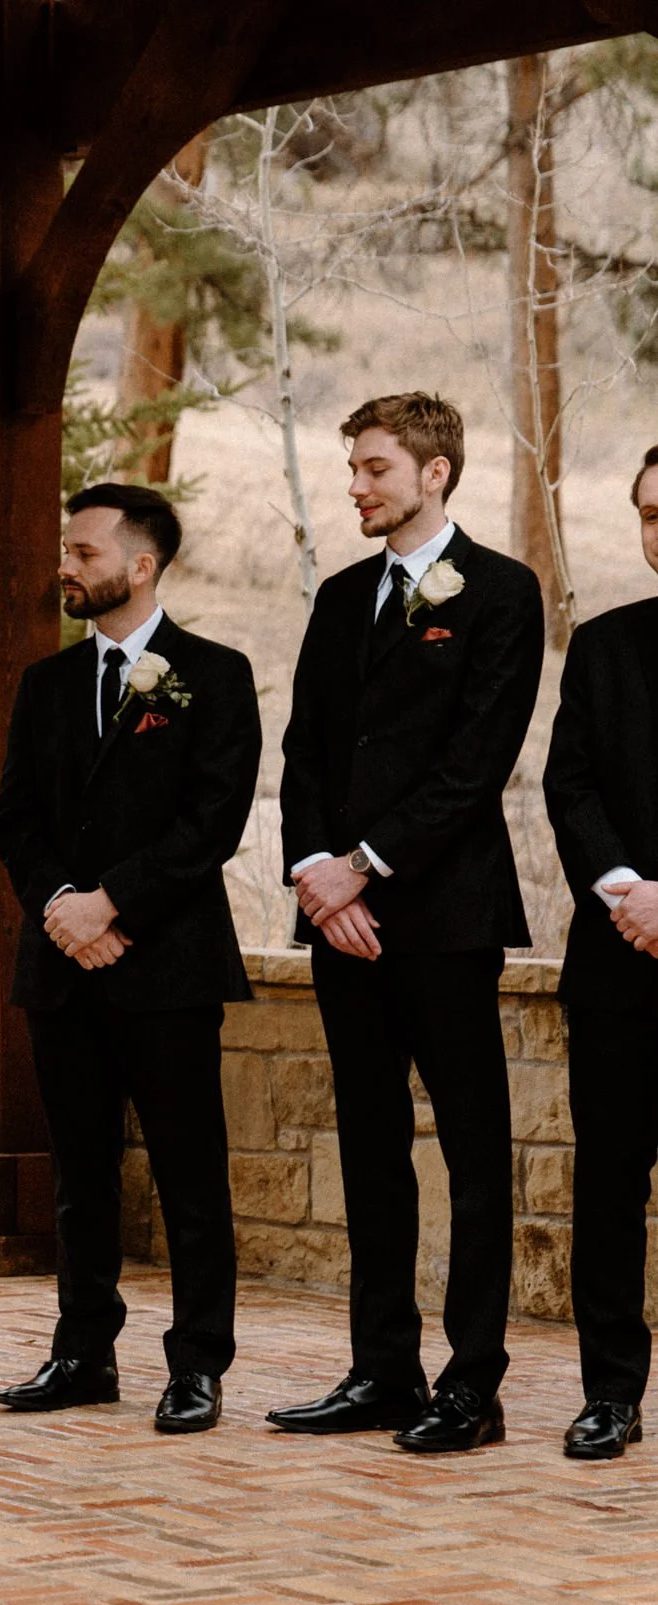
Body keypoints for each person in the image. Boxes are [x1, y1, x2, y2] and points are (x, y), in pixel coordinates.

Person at [267, 392, 542, 1453]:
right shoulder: (342, 598)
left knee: (473, 1154)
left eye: (374, 467)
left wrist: (361, 870)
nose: (356, 486)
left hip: (443, 915)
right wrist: (313, 875)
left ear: (434, 472)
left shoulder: (501, 592)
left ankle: (473, 1384)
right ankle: (382, 1369)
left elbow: (476, 761)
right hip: (340, 923)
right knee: (370, 1147)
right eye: (352, 468)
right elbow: (303, 750)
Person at [0, 483, 257, 1434]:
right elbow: (15, 819)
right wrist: (64, 909)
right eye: (66, 550)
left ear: (140, 566)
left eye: (85, 552)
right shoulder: (45, 684)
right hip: (63, 963)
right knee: (80, 1173)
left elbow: (212, 823)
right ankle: (82, 1351)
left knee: (191, 1174)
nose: (65, 566)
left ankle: (198, 1364)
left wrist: (113, 902)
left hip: (169, 965)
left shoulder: (215, 675)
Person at [541, 446, 658, 1462]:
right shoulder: (603, 646)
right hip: (618, 963)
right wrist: (629, 891)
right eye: (651, 514)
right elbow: (567, 784)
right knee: (610, 1187)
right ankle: (609, 1392)